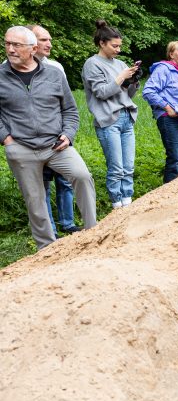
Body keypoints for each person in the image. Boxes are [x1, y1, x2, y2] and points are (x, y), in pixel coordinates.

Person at [0, 25, 97, 249]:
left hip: (56, 145)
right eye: (7, 43)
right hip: (21, 147)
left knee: (82, 176)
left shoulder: (53, 74)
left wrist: (68, 134)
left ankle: (94, 233)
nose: (10, 49)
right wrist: (7, 139)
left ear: (33, 49)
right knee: (35, 200)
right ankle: (47, 249)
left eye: (16, 45)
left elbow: (70, 111)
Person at [82, 19, 141, 209]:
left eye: (119, 46)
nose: (118, 49)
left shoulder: (121, 63)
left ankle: (128, 203)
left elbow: (127, 95)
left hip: (127, 117)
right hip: (109, 120)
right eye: (114, 46)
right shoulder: (92, 64)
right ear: (102, 43)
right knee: (116, 168)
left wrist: (132, 82)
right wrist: (121, 77)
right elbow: (101, 92)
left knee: (128, 167)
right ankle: (117, 204)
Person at [28, 24, 80, 234]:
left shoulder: (56, 67)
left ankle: (68, 224)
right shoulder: (9, 68)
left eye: (49, 39)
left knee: (66, 180)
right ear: (30, 43)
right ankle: (50, 230)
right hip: (31, 140)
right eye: (43, 40)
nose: (49, 44)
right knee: (42, 186)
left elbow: (67, 104)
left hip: (58, 134)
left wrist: (67, 132)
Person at [142, 40, 178, 183]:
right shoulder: (163, 69)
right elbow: (148, 91)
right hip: (171, 119)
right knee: (174, 159)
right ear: (171, 54)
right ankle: (168, 197)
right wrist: (167, 107)